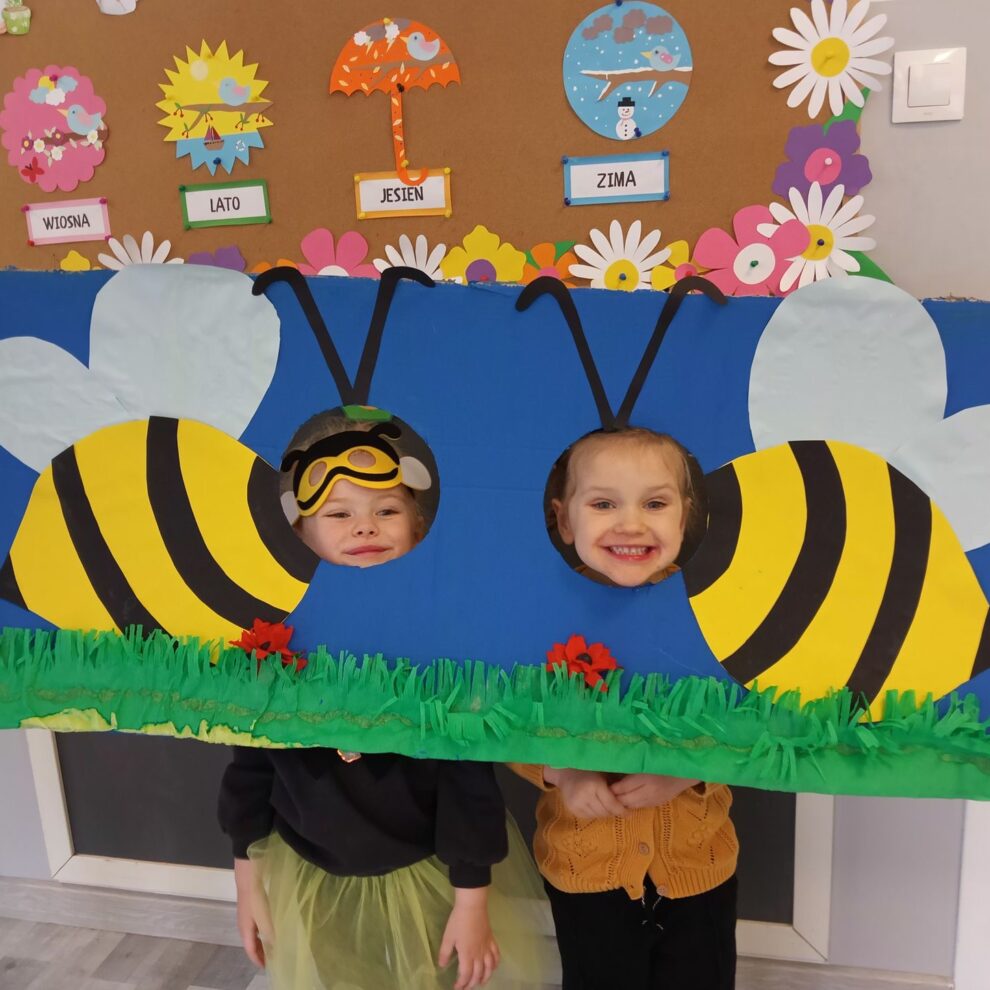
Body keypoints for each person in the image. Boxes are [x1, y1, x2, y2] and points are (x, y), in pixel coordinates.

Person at [220, 407, 549, 990]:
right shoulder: (275, 644)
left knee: (441, 973)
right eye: (339, 513)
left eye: (386, 511)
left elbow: (467, 776)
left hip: (426, 866)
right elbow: (249, 765)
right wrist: (248, 881)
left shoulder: (441, 642)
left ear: (418, 529)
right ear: (300, 536)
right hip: (312, 869)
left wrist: (472, 901)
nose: (365, 528)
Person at [515, 426, 739, 990]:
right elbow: (504, 721)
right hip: (586, 870)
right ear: (565, 519)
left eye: (655, 504)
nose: (632, 524)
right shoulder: (534, 615)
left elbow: (750, 722)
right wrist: (563, 773)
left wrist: (687, 771)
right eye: (604, 504)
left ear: (685, 515)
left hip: (698, 863)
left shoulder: (712, 612)